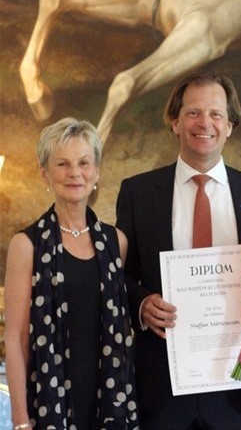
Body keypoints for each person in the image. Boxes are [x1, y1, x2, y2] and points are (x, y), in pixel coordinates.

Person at [116, 72, 241, 430]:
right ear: (175, 122)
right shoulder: (138, 193)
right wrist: (143, 304)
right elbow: (121, 278)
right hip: (162, 384)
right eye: (193, 113)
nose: (204, 123)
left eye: (215, 114)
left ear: (230, 126)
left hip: (238, 387)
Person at [5, 117, 139, 430]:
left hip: (110, 398)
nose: (74, 173)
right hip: (48, 402)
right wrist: (21, 420)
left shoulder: (115, 242)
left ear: (96, 172)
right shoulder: (27, 245)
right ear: (45, 173)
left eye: (83, 163)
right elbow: (16, 338)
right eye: (62, 164)